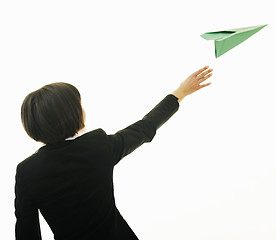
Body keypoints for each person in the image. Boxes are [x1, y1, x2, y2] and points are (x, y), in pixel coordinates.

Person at [15, 66, 213, 240]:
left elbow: (26, 232)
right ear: (72, 114)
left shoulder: (27, 171)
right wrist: (180, 92)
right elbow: (144, 128)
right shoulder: (96, 146)